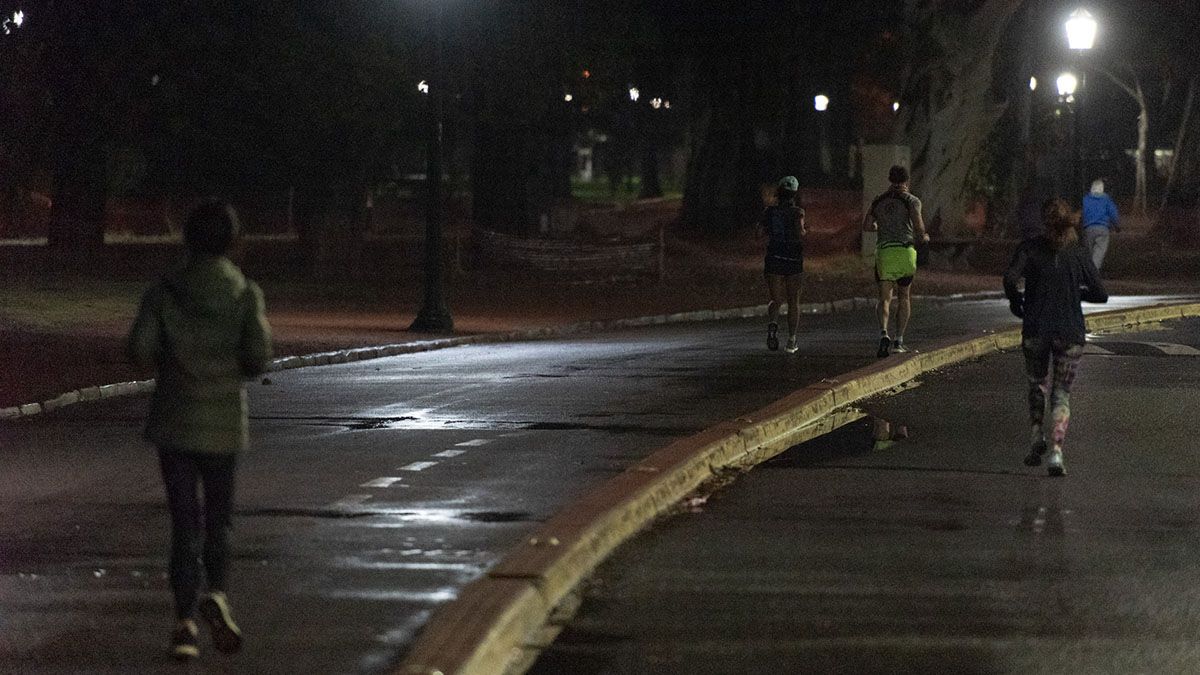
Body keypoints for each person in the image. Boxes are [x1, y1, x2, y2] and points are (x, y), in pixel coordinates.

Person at [127, 200, 272, 660]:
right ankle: (219, 593)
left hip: (174, 421)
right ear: (232, 241)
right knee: (219, 518)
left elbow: (140, 349)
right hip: (224, 423)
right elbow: (257, 358)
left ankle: (185, 623)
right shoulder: (246, 293)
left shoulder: (164, 292)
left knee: (183, 522)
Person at [1003, 198, 1108, 476]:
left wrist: (1017, 303)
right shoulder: (1079, 253)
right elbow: (1101, 293)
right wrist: (1076, 292)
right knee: (1062, 393)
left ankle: (1037, 435)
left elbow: (1010, 278)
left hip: (1036, 328)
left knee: (1037, 384)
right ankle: (1057, 454)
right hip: (1070, 332)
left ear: (1044, 221)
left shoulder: (1030, 248)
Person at [863, 165, 929, 357]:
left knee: (884, 298)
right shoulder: (912, 201)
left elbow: (867, 225)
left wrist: (879, 226)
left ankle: (884, 333)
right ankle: (899, 340)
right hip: (905, 252)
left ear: (890, 179)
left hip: (885, 253)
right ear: (907, 181)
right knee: (904, 296)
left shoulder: (879, 201)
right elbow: (918, 227)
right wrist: (924, 237)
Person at [761, 175, 807, 353]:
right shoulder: (798, 212)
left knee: (776, 299)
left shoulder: (769, 212)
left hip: (774, 257)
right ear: (794, 194)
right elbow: (800, 231)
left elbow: (759, 233)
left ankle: (773, 325)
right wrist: (804, 230)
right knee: (793, 301)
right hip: (793, 258)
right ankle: (791, 340)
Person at [1081, 178, 1119, 271]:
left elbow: (1082, 213)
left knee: (1088, 252)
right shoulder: (1106, 199)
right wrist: (1116, 225)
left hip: (1088, 228)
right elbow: (1113, 213)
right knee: (1099, 251)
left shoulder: (1085, 199)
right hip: (1103, 228)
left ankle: (1087, 272)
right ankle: (1093, 272)